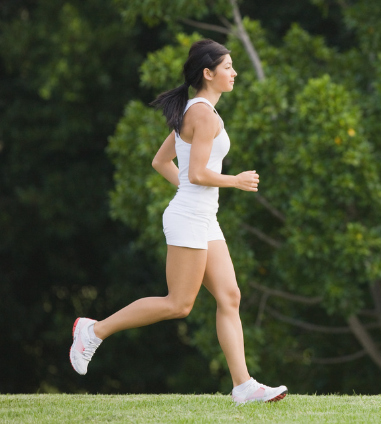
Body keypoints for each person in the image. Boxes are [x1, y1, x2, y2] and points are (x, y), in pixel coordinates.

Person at [69, 39, 287, 404]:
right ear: (208, 73)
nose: (234, 73)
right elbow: (197, 173)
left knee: (229, 296)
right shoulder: (203, 115)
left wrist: (191, 190)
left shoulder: (197, 111)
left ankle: (243, 385)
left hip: (202, 217)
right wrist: (234, 180)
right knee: (179, 304)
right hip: (189, 218)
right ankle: (94, 331)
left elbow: (162, 162)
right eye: (228, 67)